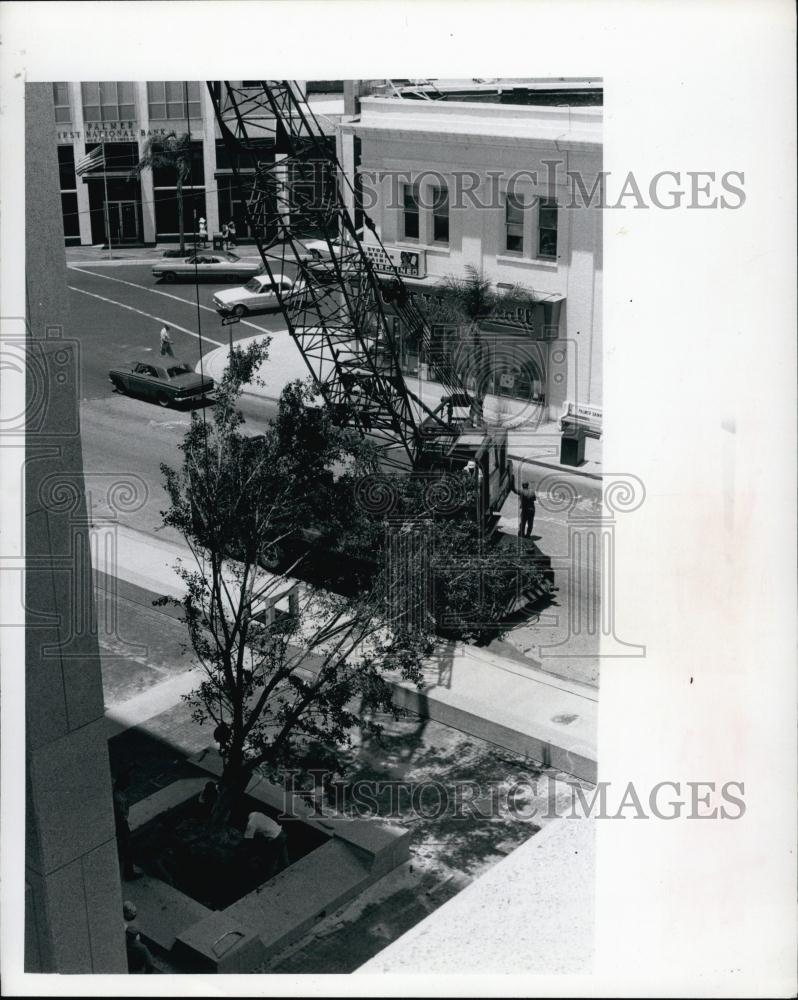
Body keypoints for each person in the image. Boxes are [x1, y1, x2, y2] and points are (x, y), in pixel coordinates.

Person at [113, 770, 143, 881]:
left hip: (118, 823)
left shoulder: (115, 793)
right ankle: (129, 873)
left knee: (124, 846)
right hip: (121, 824)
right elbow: (123, 814)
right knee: (128, 848)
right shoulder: (121, 798)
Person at [242, 810, 289, 876]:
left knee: (272, 859)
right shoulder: (259, 815)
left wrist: (247, 852)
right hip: (281, 833)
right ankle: (288, 870)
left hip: (275, 838)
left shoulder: (251, 823)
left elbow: (248, 839)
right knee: (283, 855)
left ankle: (271, 877)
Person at [123, 901, 154, 974]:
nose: (133, 913)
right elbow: (150, 964)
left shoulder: (121, 941)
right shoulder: (142, 948)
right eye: (130, 911)